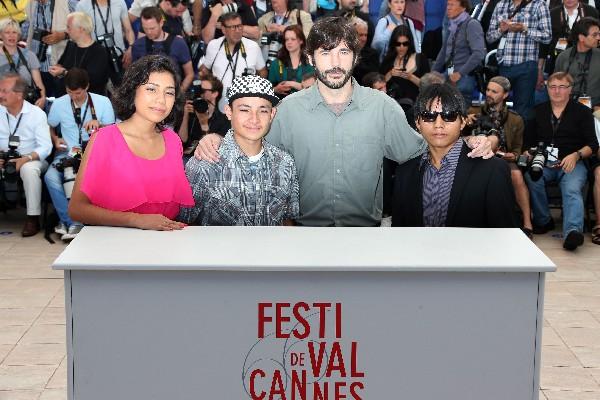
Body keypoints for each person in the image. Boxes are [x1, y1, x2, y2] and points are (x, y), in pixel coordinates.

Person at [195, 17, 496, 227]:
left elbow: (425, 149)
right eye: (326, 53)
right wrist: (216, 138)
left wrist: (472, 141)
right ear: (311, 58)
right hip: (302, 236)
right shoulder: (288, 110)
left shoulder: (382, 108)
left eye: (344, 52)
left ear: (355, 58)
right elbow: (252, 146)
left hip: (365, 238)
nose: (336, 63)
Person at [68, 55, 194, 230]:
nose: (161, 99)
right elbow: (77, 209)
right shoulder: (105, 139)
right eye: (151, 89)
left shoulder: (173, 140)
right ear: (133, 90)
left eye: (169, 92)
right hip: (118, 240)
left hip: (166, 240)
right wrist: (135, 220)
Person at [392, 83, 519, 228]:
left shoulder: (493, 170)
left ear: (463, 122)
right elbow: (400, 231)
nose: (438, 124)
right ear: (418, 124)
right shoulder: (404, 172)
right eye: (429, 116)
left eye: (449, 116)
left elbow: (505, 231)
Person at [179, 75, 299, 225]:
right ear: (229, 112)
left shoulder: (285, 163)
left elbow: (287, 220)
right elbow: (183, 223)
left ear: (272, 114)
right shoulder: (204, 164)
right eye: (244, 110)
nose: (254, 119)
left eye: (262, 110)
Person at [524, 72, 599, 250]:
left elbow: (593, 145)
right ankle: (544, 220)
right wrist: (529, 154)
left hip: (572, 162)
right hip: (545, 162)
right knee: (532, 177)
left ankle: (573, 231)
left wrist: (576, 155)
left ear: (570, 89)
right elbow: (527, 143)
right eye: (553, 87)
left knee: (572, 188)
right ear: (547, 89)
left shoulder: (583, 112)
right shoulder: (537, 111)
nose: (557, 91)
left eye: (562, 87)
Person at [44, 68, 115, 241]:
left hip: (95, 152)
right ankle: (72, 221)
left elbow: (114, 131)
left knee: (83, 177)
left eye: (78, 93)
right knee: (50, 177)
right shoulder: (59, 103)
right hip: (70, 152)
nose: (74, 97)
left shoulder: (102, 102)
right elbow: (49, 125)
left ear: (87, 87)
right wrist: (55, 138)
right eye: (70, 92)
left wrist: (100, 124)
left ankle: (69, 222)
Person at [466, 76, 532, 236]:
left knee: (516, 174)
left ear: (505, 95)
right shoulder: (472, 112)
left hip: (503, 159)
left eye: (494, 91)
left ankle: (527, 223)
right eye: (488, 90)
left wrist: (512, 156)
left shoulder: (516, 119)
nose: (489, 94)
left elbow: (517, 149)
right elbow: (460, 138)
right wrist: (465, 123)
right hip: (476, 156)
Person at [0, 72, 52, 236]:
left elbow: (46, 146)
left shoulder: (36, 114)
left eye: (4, 91)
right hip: (3, 157)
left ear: (19, 95)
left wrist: (26, 158)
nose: (0, 95)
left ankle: (32, 218)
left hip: (31, 158)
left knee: (29, 170)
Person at [486, 0, 551, 121]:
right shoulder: (501, 5)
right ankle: (498, 132)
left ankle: (522, 133)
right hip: (503, 65)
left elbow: (547, 36)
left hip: (527, 65)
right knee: (496, 107)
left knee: (523, 111)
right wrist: (501, 30)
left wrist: (524, 29)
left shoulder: (539, 4)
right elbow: (489, 37)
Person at [199, 12, 267, 107]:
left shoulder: (253, 46)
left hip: (245, 102)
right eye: (233, 27)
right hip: (218, 102)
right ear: (223, 29)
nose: (238, 30)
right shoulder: (213, 45)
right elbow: (205, 70)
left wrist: (256, 88)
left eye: (240, 26)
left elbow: (263, 71)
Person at [432, 0, 486, 107]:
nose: (448, 8)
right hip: (449, 74)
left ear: (463, 7)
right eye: (448, 4)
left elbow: (479, 53)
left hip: (464, 77)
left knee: (457, 111)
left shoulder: (472, 24)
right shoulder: (453, 24)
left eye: (452, 5)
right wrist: (433, 72)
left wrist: (460, 73)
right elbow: (444, 50)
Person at [130, 7, 194, 92]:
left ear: (161, 23)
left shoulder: (179, 43)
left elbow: (190, 74)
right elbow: (134, 75)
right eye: (145, 28)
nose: (149, 32)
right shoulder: (138, 45)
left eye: (152, 28)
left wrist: (178, 94)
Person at [48, 12, 110, 96]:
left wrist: (64, 72)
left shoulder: (99, 51)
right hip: (65, 98)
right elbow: (61, 64)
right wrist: (57, 69)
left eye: (69, 27)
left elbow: (92, 80)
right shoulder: (70, 45)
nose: (66, 31)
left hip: (88, 100)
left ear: (81, 29)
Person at [76, 0, 135, 83]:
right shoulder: (82, 5)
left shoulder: (120, 2)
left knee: (122, 86)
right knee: (97, 88)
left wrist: (131, 48)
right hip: (94, 57)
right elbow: (79, 33)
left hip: (118, 55)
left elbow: (128, 29)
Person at [24, 0, 70, 98]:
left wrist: (63, 35)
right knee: (41, 99)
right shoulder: (30, 3)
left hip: (60, 63)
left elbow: (83, 29)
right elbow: (28, 29)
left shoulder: (68, 2)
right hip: (37, 63)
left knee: (61, 99)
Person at [540, 0, 598, 75]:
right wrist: (540, 68)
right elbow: (544, 43)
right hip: (559, 63)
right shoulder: (552, 13)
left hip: (588, 62)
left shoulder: (591, 12)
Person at [177, 75, 230, 157]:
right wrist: (186, 116)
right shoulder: (191, 110)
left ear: (215, 94)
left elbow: (212, 151)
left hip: (205, 160)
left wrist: (204, 124)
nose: (200, 93)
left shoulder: (224, 121)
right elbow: (181, 141)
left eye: (203, 90)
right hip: (185, 157)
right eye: (198, 89)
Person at [554, 17, 600, 111]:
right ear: (581, 38)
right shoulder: (563, 57)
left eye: (599, 34)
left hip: (595, 110)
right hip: (567, 108)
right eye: (594, 35)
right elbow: (555, 85)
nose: (598, 38)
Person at [0, 18, 46, 108]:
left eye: (14, 32)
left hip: (26, 103)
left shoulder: (29, 55)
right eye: (7, 32)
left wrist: (43, 97)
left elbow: (38, 83)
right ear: (1, 35)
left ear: (19, 35)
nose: (11, 36)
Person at [380, 25, 430, 107]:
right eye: (398, 44)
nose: (401, 47)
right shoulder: (388, 59)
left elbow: (428, 86)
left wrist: (411, 77)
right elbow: (378, 85)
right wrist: (390, 74)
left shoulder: (421, 58)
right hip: (391, 105)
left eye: (405, 44)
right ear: (393, 44)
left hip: (415, 105)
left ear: (410, 43)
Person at [267, 25, 314, 98]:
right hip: (281, 102)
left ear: (301, 41)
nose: (289, 42)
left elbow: (314, 89)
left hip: (306, 101)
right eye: (287, 39)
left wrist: (292, 84)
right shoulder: (276, 63)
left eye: (293, 39)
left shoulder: (310, 62)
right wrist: (276, 89)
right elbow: (268, 89)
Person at [352, 17, 380, 85]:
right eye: (360, 35)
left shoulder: (373, 54)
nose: (364, 39)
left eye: (365, 35)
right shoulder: (342, 53)